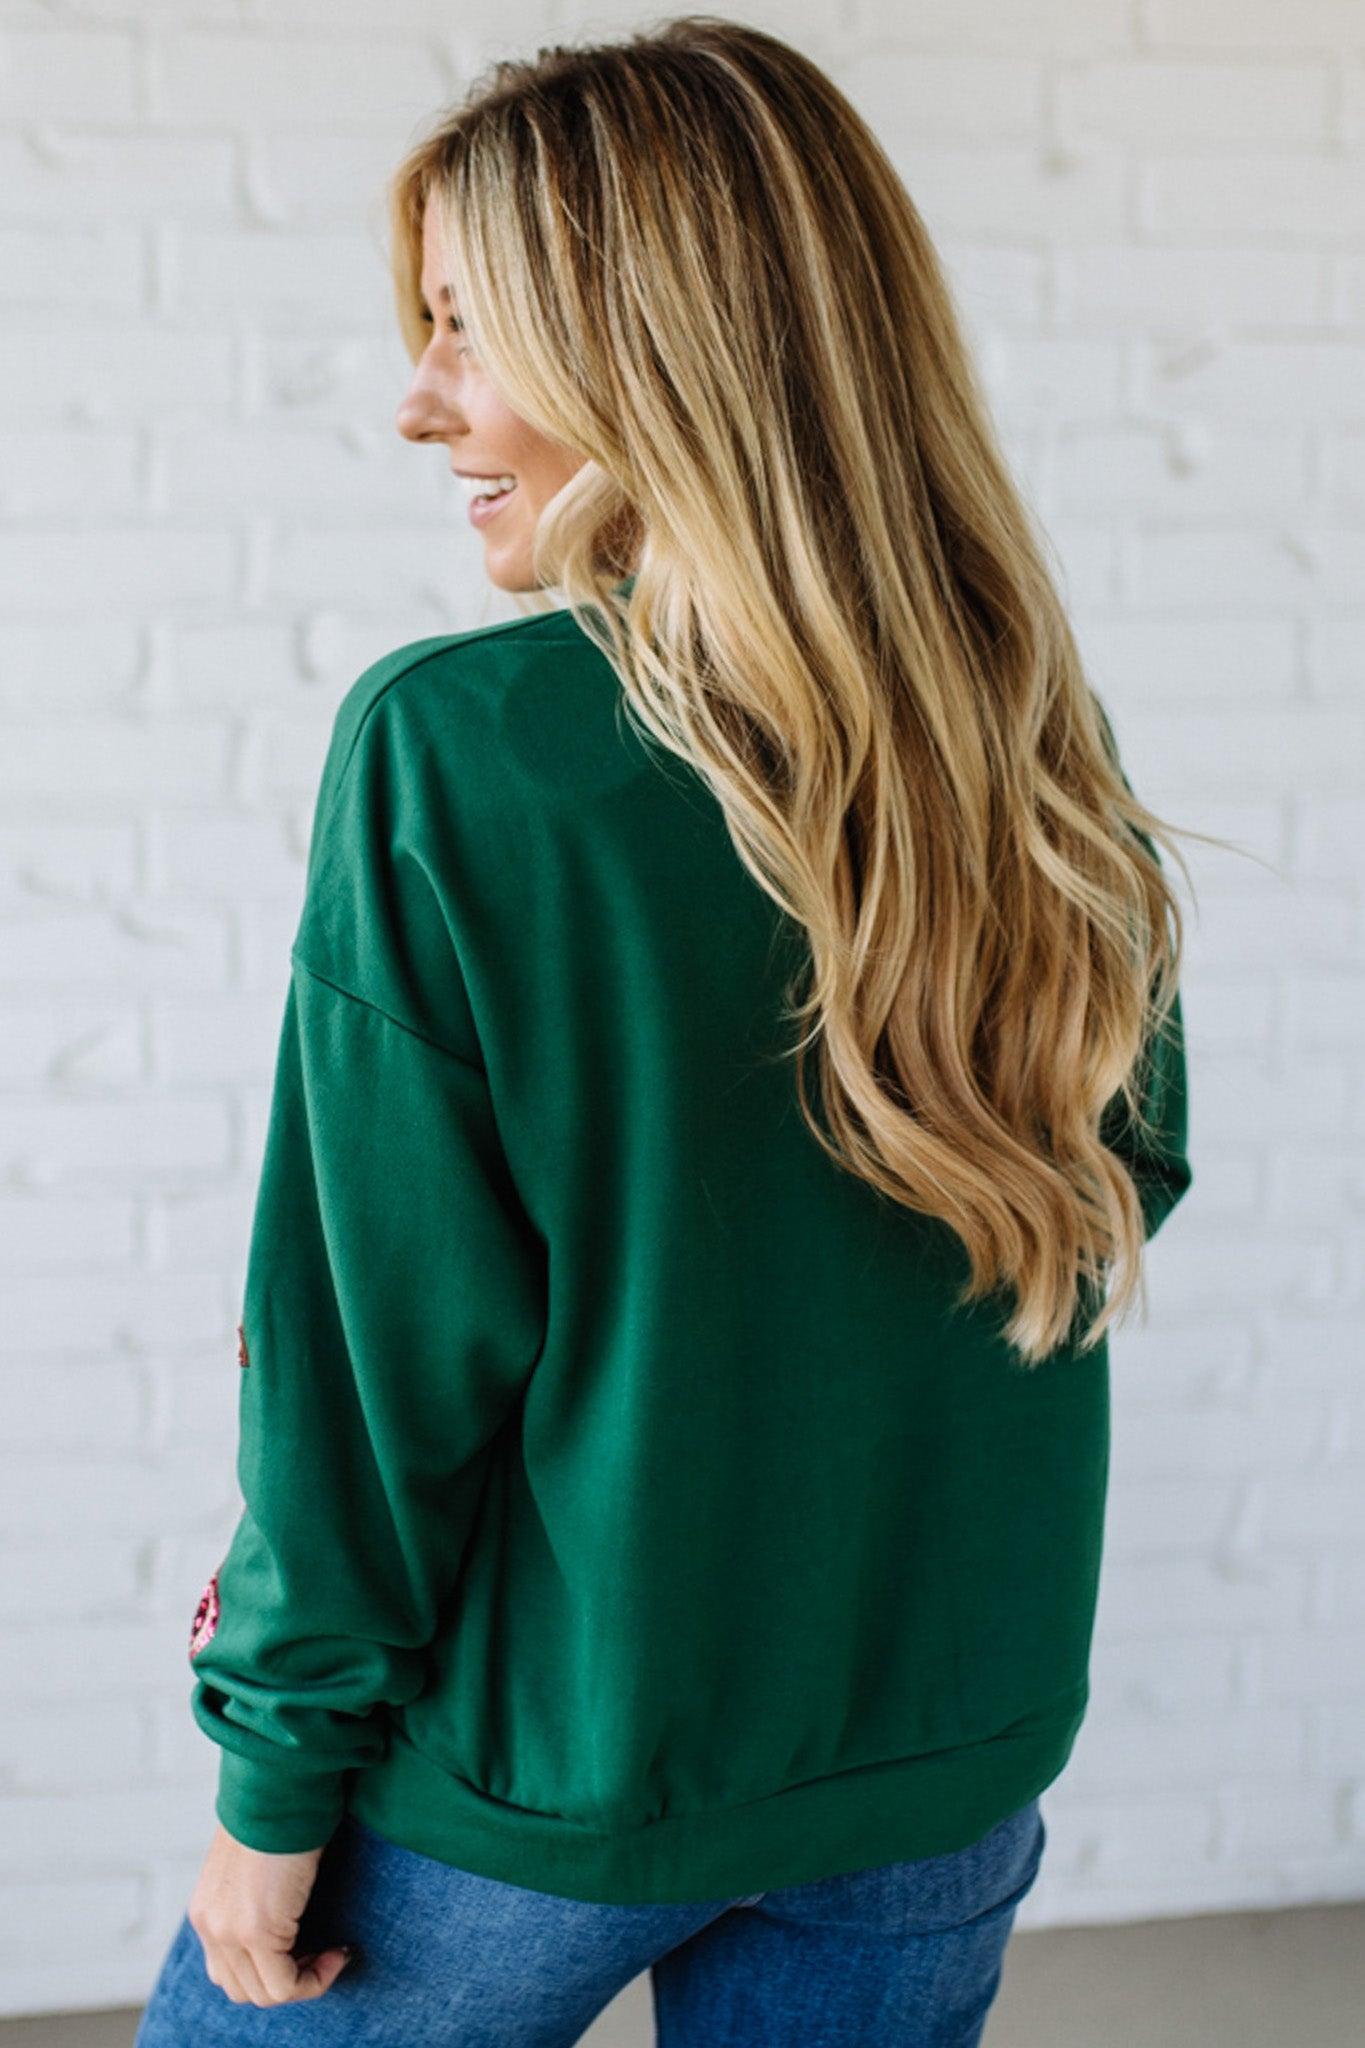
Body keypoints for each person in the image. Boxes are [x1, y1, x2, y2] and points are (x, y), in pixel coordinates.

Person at [136, 17, 1203, 2045]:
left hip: (552, 1777)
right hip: (936, 1752)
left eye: (471, 328)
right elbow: (1116, 1174)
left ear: (666, 352)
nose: (416, 401)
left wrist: (273, 1782)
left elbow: (374, 1371)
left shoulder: (458, 751)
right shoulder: (1023, 743)